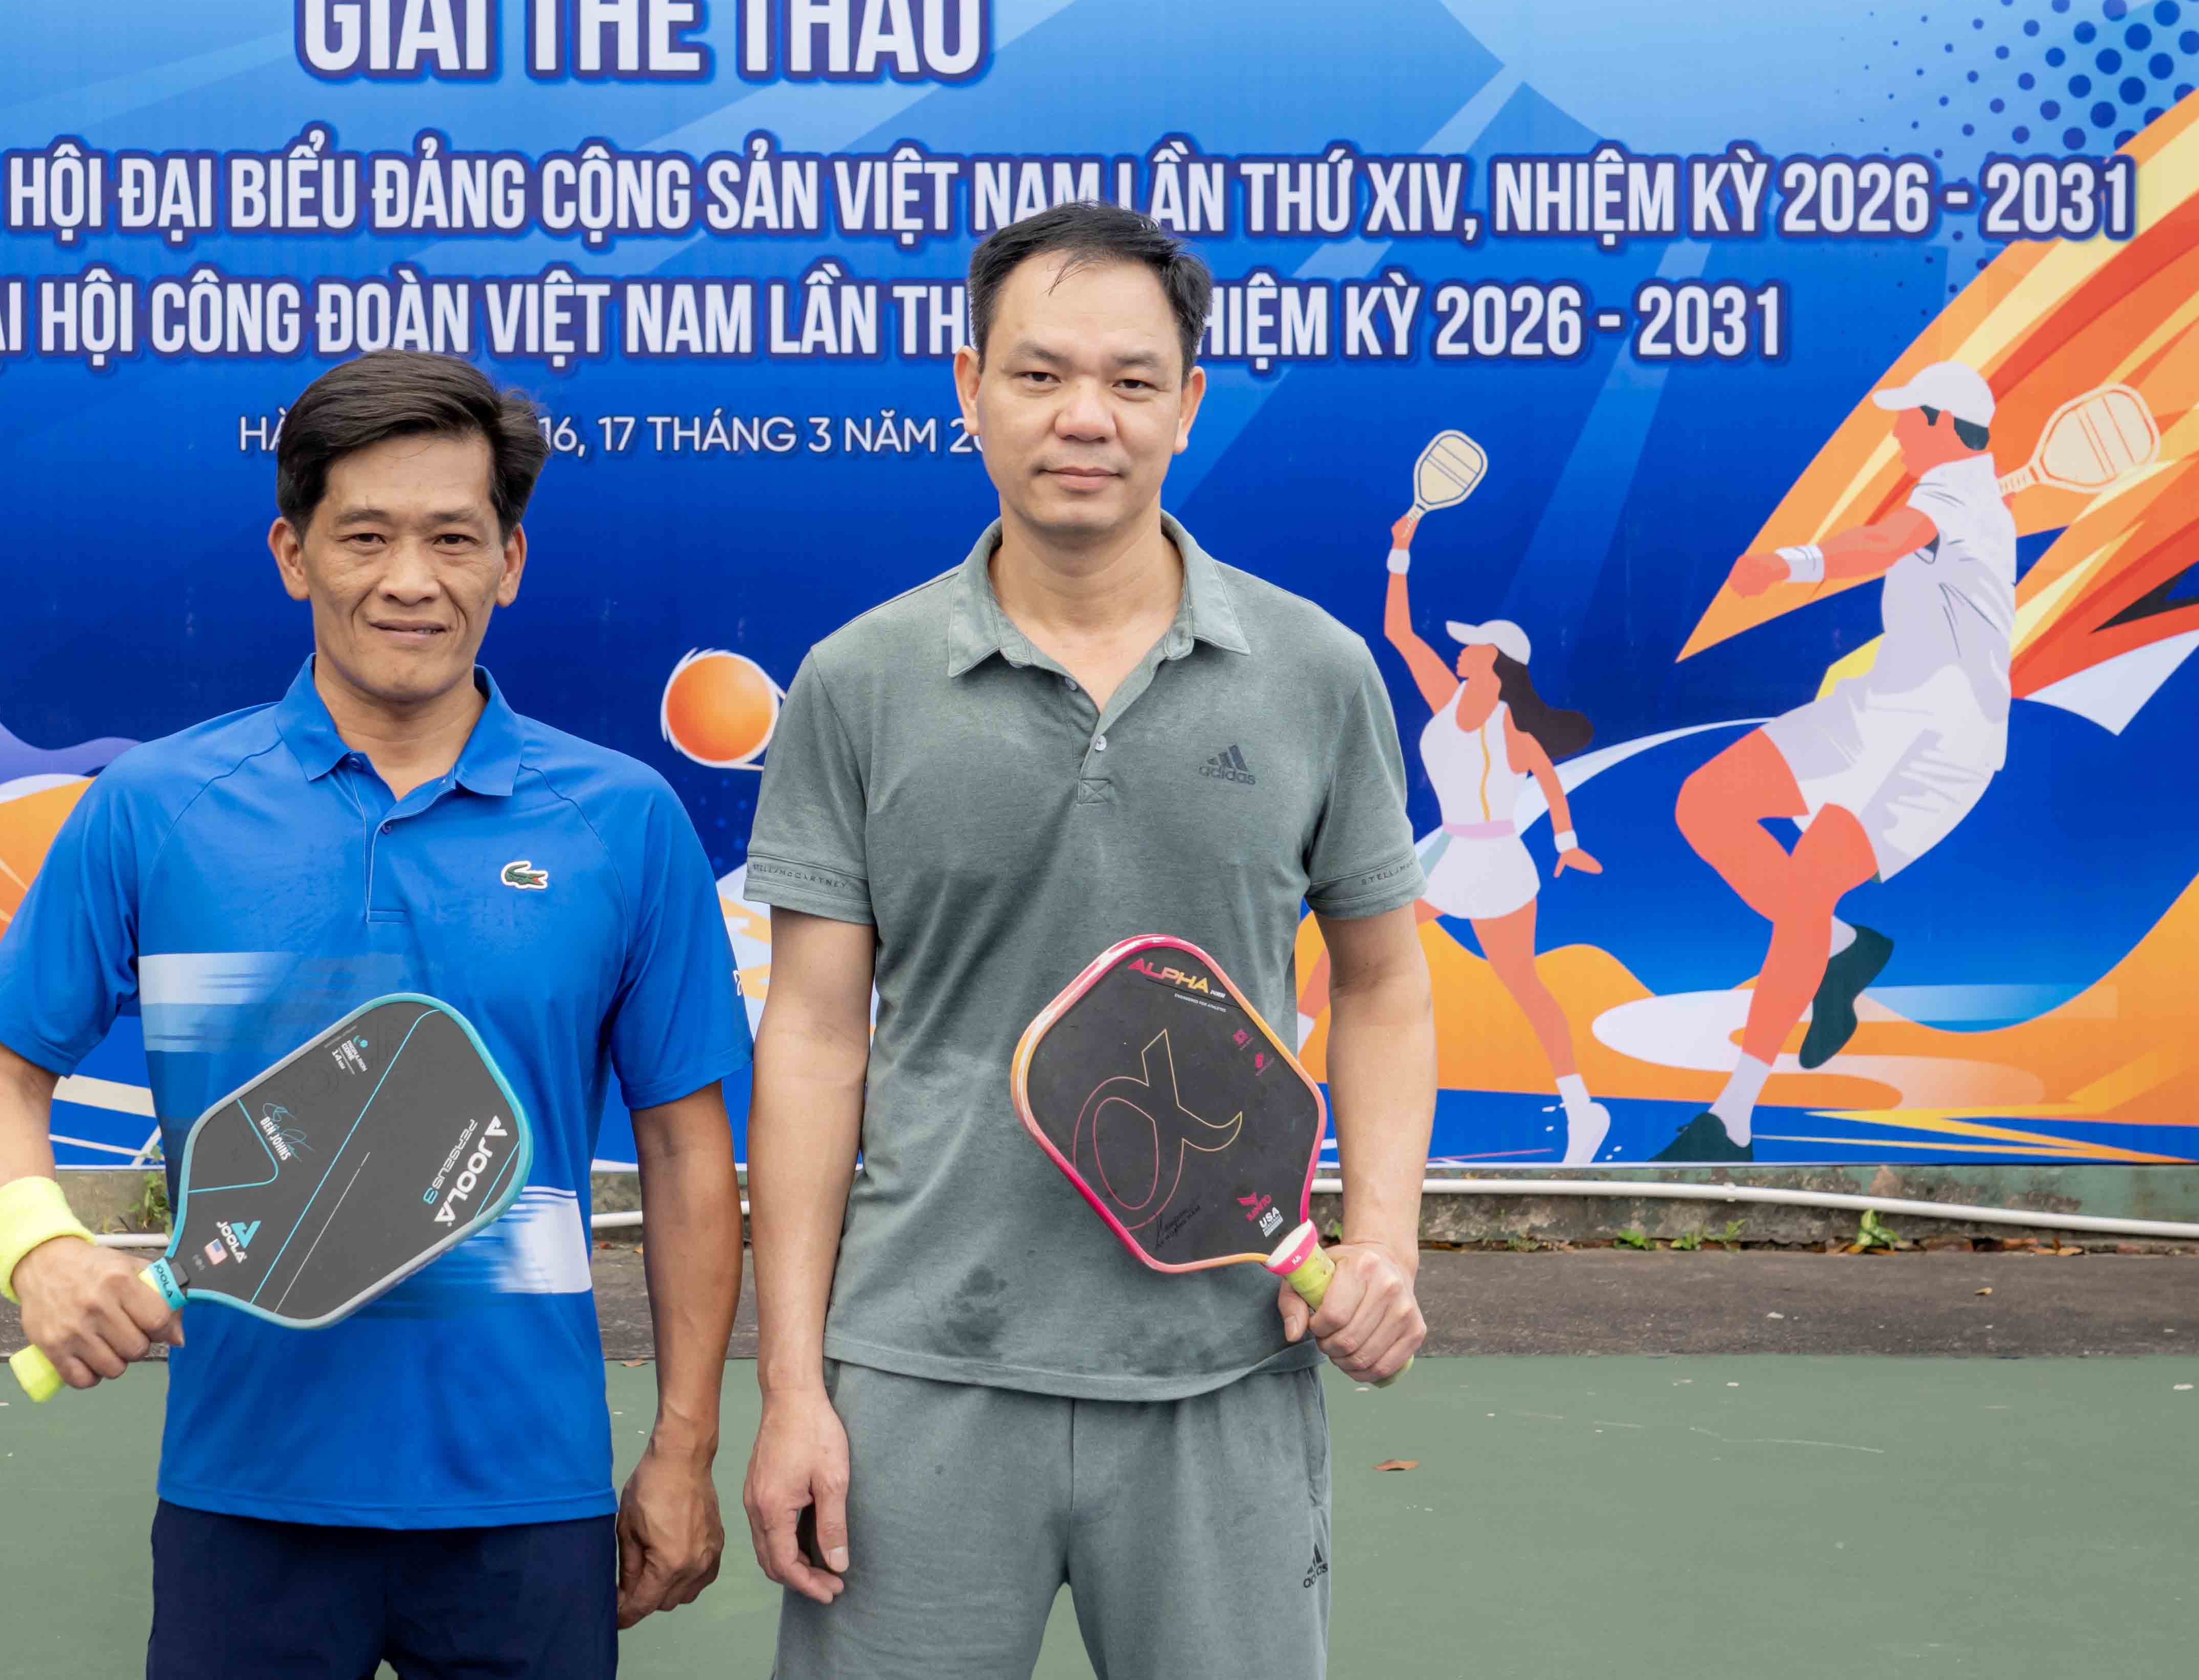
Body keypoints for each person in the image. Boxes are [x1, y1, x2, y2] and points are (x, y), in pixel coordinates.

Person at [0, 352, 753, 1679]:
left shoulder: (622, 822)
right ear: (292, 554)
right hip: (244, 1491)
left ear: (511, 561)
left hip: (528, 1497)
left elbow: (683, 1150)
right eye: (365, 536)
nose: (410, 579)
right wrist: (41, 1251)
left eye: (454, 537)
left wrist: (684, 1445)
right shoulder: (157, 808)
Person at [736, 201, 1437, 1680]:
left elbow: (1383, 984)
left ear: (1189, 402)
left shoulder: (1317, 671)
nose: (1085, 417)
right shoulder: (856, 681)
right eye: (1040, 373)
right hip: (918, 1369)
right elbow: (811, 1037)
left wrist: (1381, 1243)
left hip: (1224, 1368)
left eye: (1131, 380)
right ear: (968, 386)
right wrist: (793, 1386)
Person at [1660, 357, 2016, 1162]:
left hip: (1941, 742)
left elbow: (1880, 544)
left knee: (1809, 883)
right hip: (1875, 710)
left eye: (1907, 418)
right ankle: (1836, 948)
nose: (1896, 433)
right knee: (1706, 802)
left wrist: (1788, 565)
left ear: (1940, 423)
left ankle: (1733, 1120)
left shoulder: (1953, 500)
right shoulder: (1961, 496)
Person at [1298, 507, 1607, 1162]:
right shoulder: (1448, 697)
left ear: (1495, 661)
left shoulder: (1510, 726)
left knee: (1523, 985)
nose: (1461, 647)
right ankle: (1291, 1082)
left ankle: (1585, 1110)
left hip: (1494, 863)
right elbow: (1398, 631)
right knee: (1346, 953)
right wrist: (1400, 553)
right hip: (1445, 856)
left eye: (1473, 644)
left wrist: (1566, 842)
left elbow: (1548, 777)